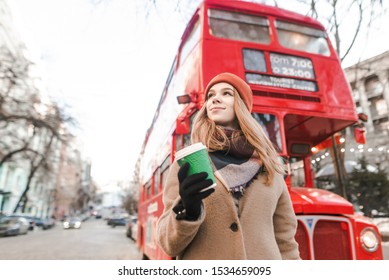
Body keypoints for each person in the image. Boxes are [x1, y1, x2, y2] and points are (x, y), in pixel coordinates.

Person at [156, 72, 300, 260]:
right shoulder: (189, 163)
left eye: (226, 93)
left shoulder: (270, 166)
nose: (215, 99)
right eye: (210, 95)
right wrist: (188, 213)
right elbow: (168, 245)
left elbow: (286, 241)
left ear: (241, 105)